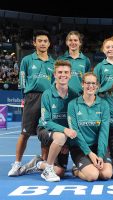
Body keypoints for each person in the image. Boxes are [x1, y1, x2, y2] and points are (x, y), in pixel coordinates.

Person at [8, 30, 55, 177]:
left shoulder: (53, 62)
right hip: (31, 98)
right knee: (25, 133)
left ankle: (44, 164)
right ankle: (17, 164)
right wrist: (24, 97)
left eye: (45, 41)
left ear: (49, 44)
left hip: (47, 99)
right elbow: (22, 81)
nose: (42, 43)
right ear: (34, 43)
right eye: (39, 41)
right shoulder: (27, 60)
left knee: (45, 134)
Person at [24, 60, 78, 182]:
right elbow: (46, 121)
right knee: (60, 137)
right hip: (45, 129)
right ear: (54, 74)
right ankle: (48, 169)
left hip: (64, 135)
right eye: (59, 72)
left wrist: (68, 142)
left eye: (66, 72)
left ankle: (38, 163)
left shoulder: (74, 95)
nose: (63, 75)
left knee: (60, 172)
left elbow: (74, 122)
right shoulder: (47, 94)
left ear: (70, 75)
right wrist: (64, 132)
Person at [67, 72, 113, 181]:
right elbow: (75, 132)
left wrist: (101, 155)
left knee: (106, 174)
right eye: (88, 83)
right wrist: (90, 154)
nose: (90, 86)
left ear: (97, 86)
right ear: (82, 84)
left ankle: (91, 165)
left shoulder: (104, 104)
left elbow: (104, 132)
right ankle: (77, 170)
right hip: (80, 148)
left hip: (98, 147)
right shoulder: (72, 105)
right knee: (93, 176)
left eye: (93, 83)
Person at [58, 31, 91, 95]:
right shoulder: (60, 59)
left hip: (79, 96)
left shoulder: (86, 60)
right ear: (67, 42)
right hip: (62, 95)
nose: (73, 42)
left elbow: (87, 80)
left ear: (80, 42)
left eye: (75, 40)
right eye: (70, 40)